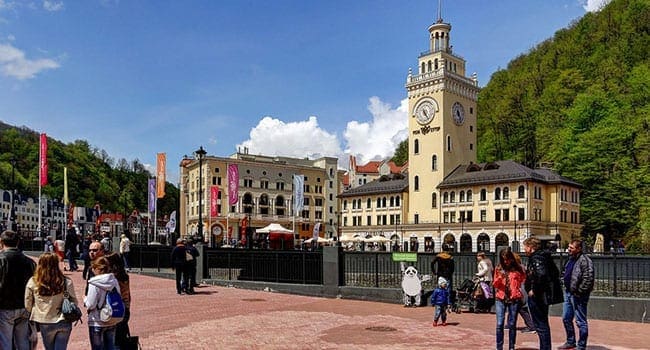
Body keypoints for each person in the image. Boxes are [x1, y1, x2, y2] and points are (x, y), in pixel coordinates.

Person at [25, 252, 78, 350]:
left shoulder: (33, 282)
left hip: (45, 320)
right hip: (64, 319)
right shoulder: (65, 281)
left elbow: (28, 303)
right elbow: (74, 301)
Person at [0, 230, 37, 350]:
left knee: (5, 342)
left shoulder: (1, 260)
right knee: (23, 342)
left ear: (1, 242)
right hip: (24, 306)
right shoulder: (30, 262)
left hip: (5, 307)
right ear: (18, 242)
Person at [559, 239, 594, 350]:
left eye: (571, 248)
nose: (569, 249)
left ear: (578, 249)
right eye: (569, 247)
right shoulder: (570, 259)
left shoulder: (585, 260)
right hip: (568, 292)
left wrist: (580, 291)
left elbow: (588, 278)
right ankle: (570, 341)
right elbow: (565, 272)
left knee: (580, 320)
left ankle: (581, 345)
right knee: (566, 318)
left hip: (578, 295)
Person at [523, 237, 556, 350]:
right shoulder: (544, 257)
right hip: (543, 295)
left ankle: (545, 347)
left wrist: (534, 290)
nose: (524, 250)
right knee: (543, 324)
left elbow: (541, 275)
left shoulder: (536, 258)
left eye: (526, 247)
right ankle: (545, 347)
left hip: (538, 296)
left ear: (531, 247)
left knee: (540, 325)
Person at [493, 247, 526, 350]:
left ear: (511, 258)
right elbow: (495, 284)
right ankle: (499, 347)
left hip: (514, 298)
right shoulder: (499, 268)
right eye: (504, 259)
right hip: (500, 297)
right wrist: (500, 278)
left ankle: (511, 346)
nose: (506, 262)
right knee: (500, 323)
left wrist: (517, 288)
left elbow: (522, 279)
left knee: (512, 324)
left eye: (508, 259)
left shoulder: (517, 269)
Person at [85, 256, 121, 350]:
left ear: (97, 268)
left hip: (97, 321)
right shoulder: (114, 281)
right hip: (112, 318)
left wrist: (85, 300)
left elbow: (91, 304)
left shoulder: (94, 283)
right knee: (110, 347)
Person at [106, 253, 132, 349]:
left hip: (115, 308)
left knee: (114, 338)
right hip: (124, 307)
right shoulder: (124, 275)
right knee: (121, 335)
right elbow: (128, 295)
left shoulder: (112, 277)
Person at [512, 252, 536, 334]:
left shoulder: (518, 268)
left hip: (520, 289)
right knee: (519, 308)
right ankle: (511, 323)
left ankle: (531, 326)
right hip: (522, 289)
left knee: (521, 308)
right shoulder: (521, 267)